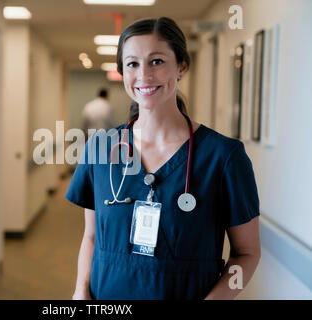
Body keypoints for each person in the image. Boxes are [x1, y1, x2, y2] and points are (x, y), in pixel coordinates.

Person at [66, 17, 261, 300]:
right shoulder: (101, 148)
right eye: (132, 63)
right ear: (122, 72)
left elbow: (247, 254)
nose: (144, 75)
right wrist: (80, 292)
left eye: (156, 61)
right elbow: (92, 237)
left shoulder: (223, 157)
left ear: (182, 66)